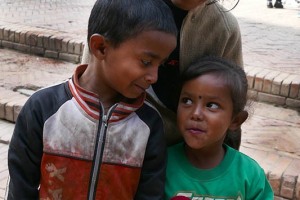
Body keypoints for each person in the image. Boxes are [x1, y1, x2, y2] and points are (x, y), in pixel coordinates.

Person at [7, 0, 177, 199]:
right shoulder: (42, 108)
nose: (154, 77)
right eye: (146, 62)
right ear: (101, 48)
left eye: (160, 65)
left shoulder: (149, 125)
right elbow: (20, 188)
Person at [82, 0, 244, 150]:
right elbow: (89, 86)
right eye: (146, 61)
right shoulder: (120, 8)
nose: (153, 77)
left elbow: (230, 106)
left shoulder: (224, 29)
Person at [164, 56, 274, 200]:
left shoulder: (249, 175)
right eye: (187, 101)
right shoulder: (161, 165)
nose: (195, 114)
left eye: (212, 105)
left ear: (235, 120)